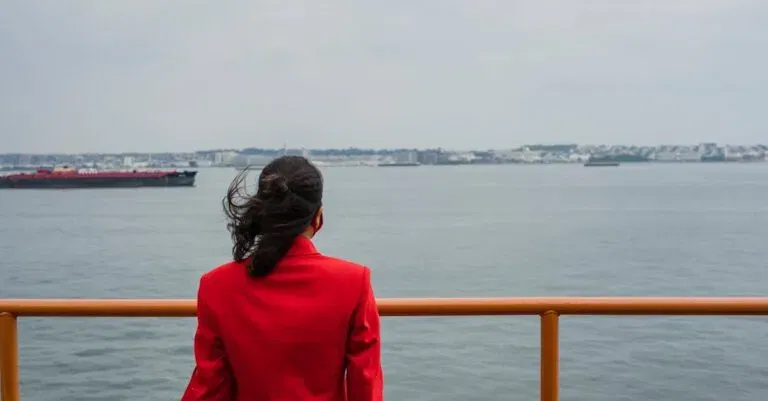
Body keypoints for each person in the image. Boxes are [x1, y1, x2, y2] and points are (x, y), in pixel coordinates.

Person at [181, 156, 383, 401]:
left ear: (262, 213)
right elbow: (365, 384)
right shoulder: (354, 282)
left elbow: (209, 387)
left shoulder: (216, 285)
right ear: (318, 217)